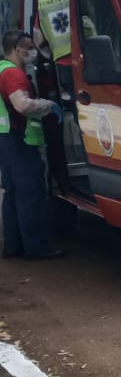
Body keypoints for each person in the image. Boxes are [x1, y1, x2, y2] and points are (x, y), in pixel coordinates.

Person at [0, 28, 64, 259]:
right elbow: (22, 105)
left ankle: (14, 245)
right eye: (29, 48)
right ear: (17, 50)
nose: (33, 52)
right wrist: (48, 105)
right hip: (20, 139)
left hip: (6, 139)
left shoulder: (2, 69)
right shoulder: (13, 74)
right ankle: (36, 246)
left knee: (13, 193)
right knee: (30, 193)